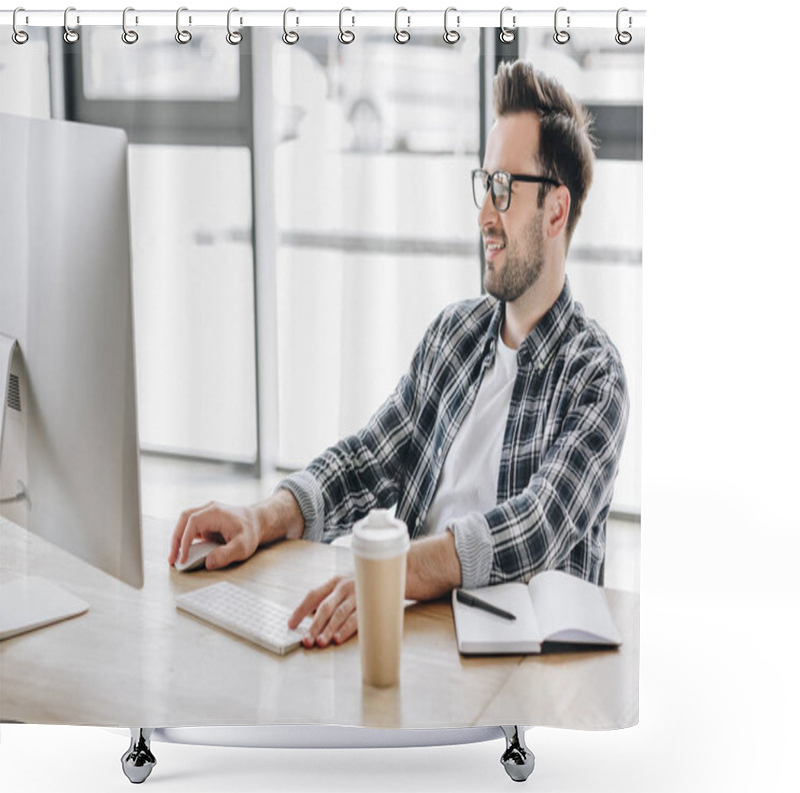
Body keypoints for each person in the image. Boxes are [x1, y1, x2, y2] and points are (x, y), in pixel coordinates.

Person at [168, 59, 629, 650]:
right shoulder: (454, 336)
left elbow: (538, 525)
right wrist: (264, 517)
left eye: (505, 189)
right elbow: (367, 461)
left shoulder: (595, 375)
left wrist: (390, 574)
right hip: (409, 628)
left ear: (556, 211)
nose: (485, 214)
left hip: (516, 671)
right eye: (484, 184)